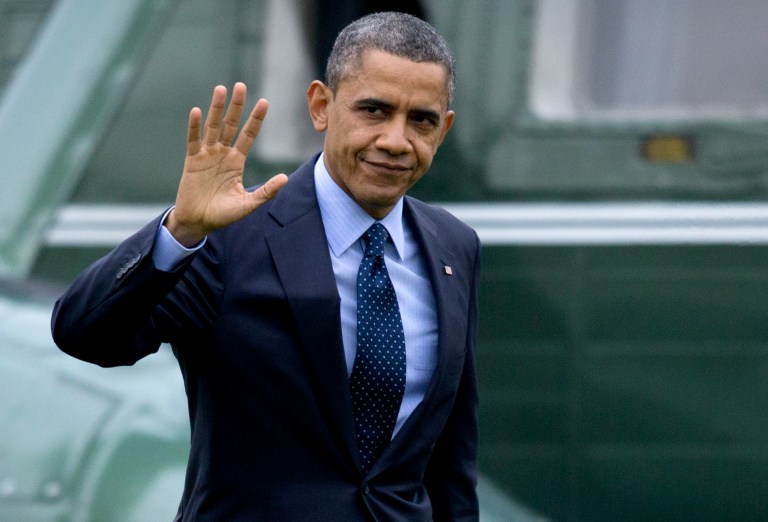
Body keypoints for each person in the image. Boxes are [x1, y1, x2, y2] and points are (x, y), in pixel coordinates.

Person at [52, 11, 479, 521]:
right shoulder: (230, 237)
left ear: (443, 129)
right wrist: (180, 231)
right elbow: (84, 333)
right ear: (321, 106)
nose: (395, 140)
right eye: (374, 110)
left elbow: (451, 460)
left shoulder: (454, 247)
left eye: (421, 120)